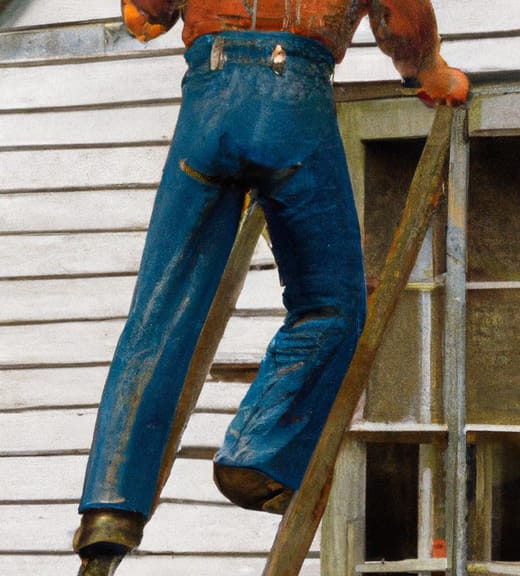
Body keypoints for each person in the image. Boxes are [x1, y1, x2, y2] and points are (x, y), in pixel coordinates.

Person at [75, 1, 468, 573]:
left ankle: (109, 508)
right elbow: (403, 23)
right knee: (331, 302)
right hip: (292, 100)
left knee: (160, 310)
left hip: (208, 99)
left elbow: (146, 15)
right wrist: (428, 73)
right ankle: (257, 454)